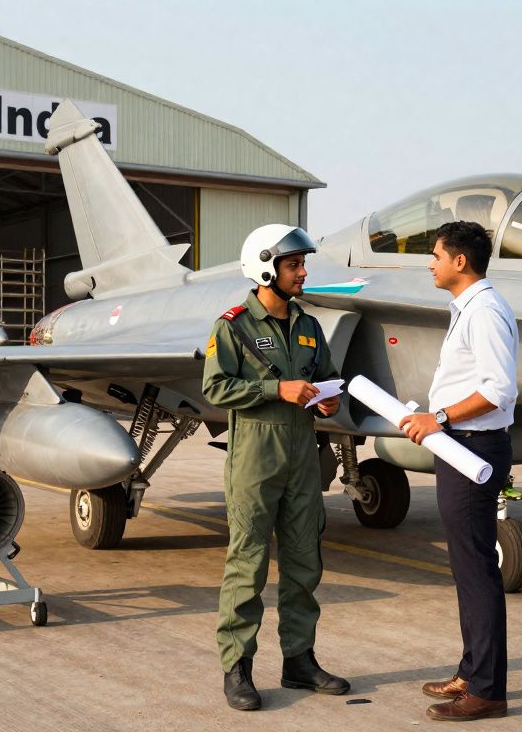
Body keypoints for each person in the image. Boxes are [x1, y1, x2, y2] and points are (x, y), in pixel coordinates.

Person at [202, 224, 349, 711]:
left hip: (302, 455)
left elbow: (325, 378)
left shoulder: (308, 327)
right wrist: (274, 390)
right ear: (266, 267)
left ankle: (299, 661)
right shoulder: (233, 325)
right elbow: (216, 389)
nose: (303, 273)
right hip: (255, 457)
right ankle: (237, 668)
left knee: (305, 562)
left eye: (302, 264)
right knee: (248, 564)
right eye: (294, 265)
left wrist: (327, 400)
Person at [398, 221, 518, 721]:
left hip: (474, 448)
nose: (431, 262)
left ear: (459, 262)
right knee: (467, 568)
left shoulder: (485, 312)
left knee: (477, 571)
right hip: (459, 448)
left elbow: (498, 390)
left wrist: (438, 418)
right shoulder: (469, 308)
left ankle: (487, 691)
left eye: (436, 255)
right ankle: (472, 671)